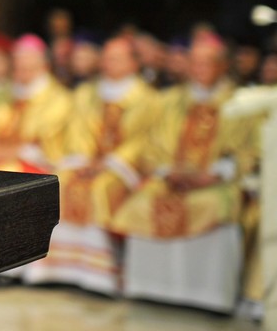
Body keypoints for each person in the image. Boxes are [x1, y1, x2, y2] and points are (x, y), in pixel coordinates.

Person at [109, 35, 259, 314]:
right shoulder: (168, 101)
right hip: (171, 178)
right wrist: (169, 171)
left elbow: (249, 152)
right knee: (140, 202)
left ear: (223, 66)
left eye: (207, 63)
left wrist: (216, 173)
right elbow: (152, 145)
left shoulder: (242, 103)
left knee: (215, 205)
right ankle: (149, 286)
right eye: (195, 62)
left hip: (216, 183)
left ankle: (210, 296)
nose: (199, 68)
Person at [22, 36, 158, 293]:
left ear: (133, 63)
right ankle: (54, 269)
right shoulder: (86, 94)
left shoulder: (148, 99)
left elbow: (144, 140)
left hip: (120, 169)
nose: (109, 64)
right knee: (58, 184)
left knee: (100, 189)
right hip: (83, 162)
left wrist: (111, 163)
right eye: (106, 58)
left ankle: (100, 276)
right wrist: (83, 160)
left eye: (116, 59)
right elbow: (77, 132)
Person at [0, 34, 72, 174]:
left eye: (28, 68)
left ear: (43, 66)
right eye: (18, 67)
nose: (21, 72)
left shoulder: (59, 99)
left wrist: (15, 152)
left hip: (33, 165)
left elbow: (48, 144)